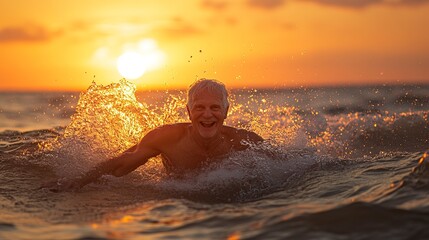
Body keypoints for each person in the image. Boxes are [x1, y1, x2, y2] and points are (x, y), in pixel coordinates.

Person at [44, 79, 263, 192]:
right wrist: (77, 182)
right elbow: (120, 165)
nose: (207, 115)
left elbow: (284, 164)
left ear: (226, 111)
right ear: (188, 111)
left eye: (215, 107)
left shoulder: (243, 141)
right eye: (199, 108)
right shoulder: (166, 139)